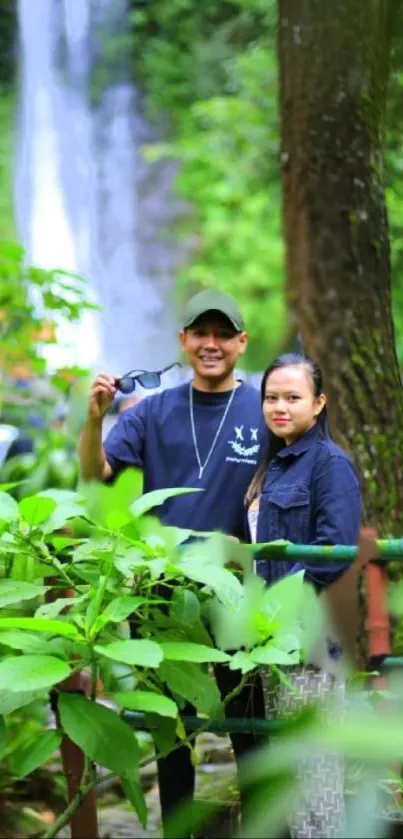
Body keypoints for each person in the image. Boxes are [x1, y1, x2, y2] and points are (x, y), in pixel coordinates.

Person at [79, 289, 267, 836]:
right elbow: (96, 480)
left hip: (239, 590)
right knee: (171, 733)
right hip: (161, 593)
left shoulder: (265, 408)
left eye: (222, 334)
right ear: (183, 340)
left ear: (241, 342)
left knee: (249, 728)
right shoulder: (151, 411)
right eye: (200, 333)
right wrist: (95, 420)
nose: (211, 344)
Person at [245, 352, 361, 839]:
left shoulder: (328, 465)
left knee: (314, 780)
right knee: (294, 776)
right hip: (276, 643)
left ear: (319, 403)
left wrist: (279, 606)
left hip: (309, 642)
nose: (280, 407)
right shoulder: (276, 462)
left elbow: (334, 553)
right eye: (272, 397)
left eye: (293, 398)